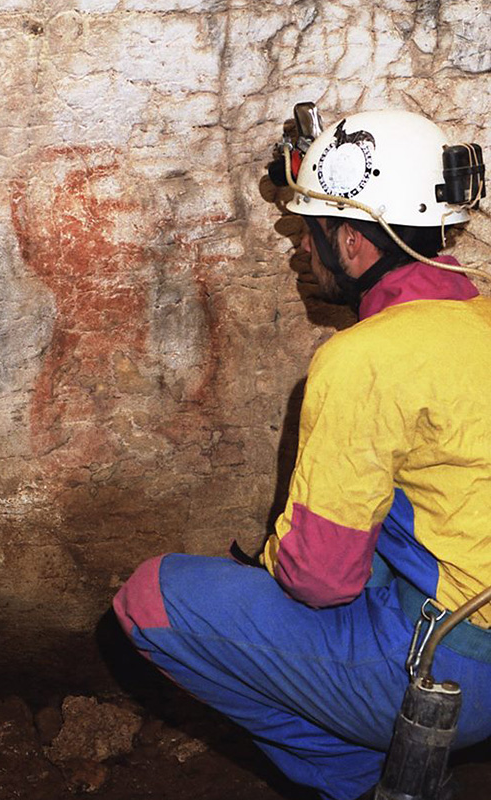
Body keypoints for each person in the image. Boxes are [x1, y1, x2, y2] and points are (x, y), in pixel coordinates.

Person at [113, 109, 491, 800]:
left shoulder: (367, 357)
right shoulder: (481, 322)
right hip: (475, 624)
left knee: (151, 601)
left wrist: (277, 558)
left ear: (351, 243)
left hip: (452, 675)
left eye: (309, 236)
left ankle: (371, 782)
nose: (301, 254)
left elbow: (321, 581)